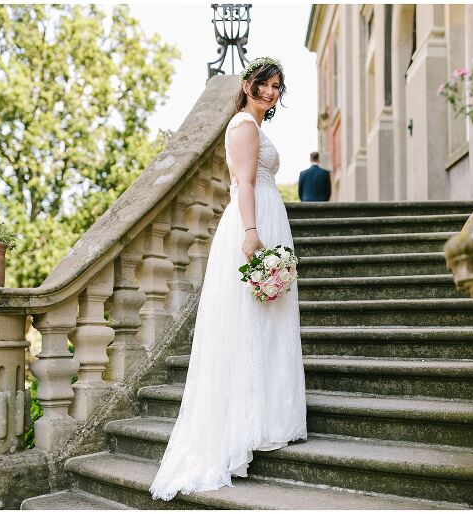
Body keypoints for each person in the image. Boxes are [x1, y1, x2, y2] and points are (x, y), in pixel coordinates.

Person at [149, 57, 307, 501]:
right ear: (248, 85)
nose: (272, 92)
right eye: (265, 84)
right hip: (252, 223)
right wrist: (253, 234)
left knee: (269, 318)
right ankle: (243, 425)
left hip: (268, 218)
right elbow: (242, 183)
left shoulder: (255, 126)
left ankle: (269, 417)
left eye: (277, 86)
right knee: (249, 321)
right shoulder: (243, 126)